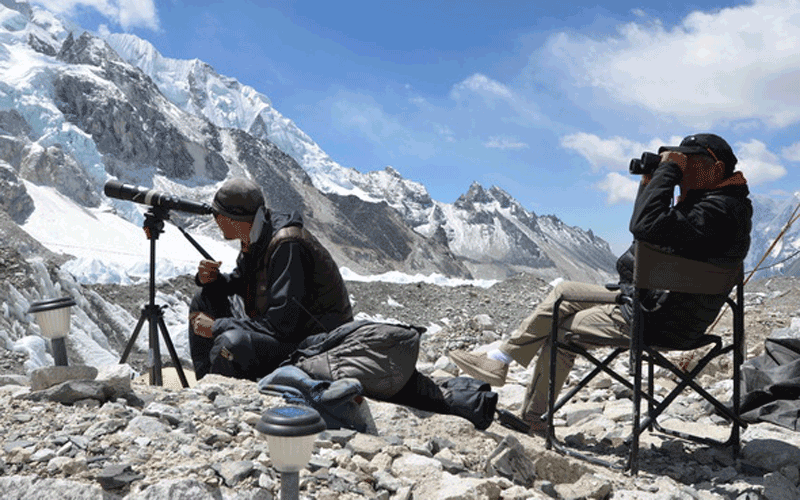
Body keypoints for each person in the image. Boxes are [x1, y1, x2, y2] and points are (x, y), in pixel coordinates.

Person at [450, 133, 752, 434]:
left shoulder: (717, 212)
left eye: (689, 163)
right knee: (563, 294)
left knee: (560, 326)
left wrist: (668, 171)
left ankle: (532, 417)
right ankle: (500, 360)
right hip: (660, 306)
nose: (682, 170)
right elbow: (645, 232)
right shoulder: (721, 207)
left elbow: (644, 226)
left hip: (659, 321)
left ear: (716, 169)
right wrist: (650, 182)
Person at [188, 177, 353, 381]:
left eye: (217, 214)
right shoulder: (258, 236)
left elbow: (282, 325)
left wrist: (216, 327)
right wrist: (213, 280)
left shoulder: (287, 245)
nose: (215, 220)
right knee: (203, 299)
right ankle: (205, 385)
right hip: (288, 334)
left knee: (232, 344)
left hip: (314, 347)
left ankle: (219, 393)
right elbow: (242, 282)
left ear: (234, 218)